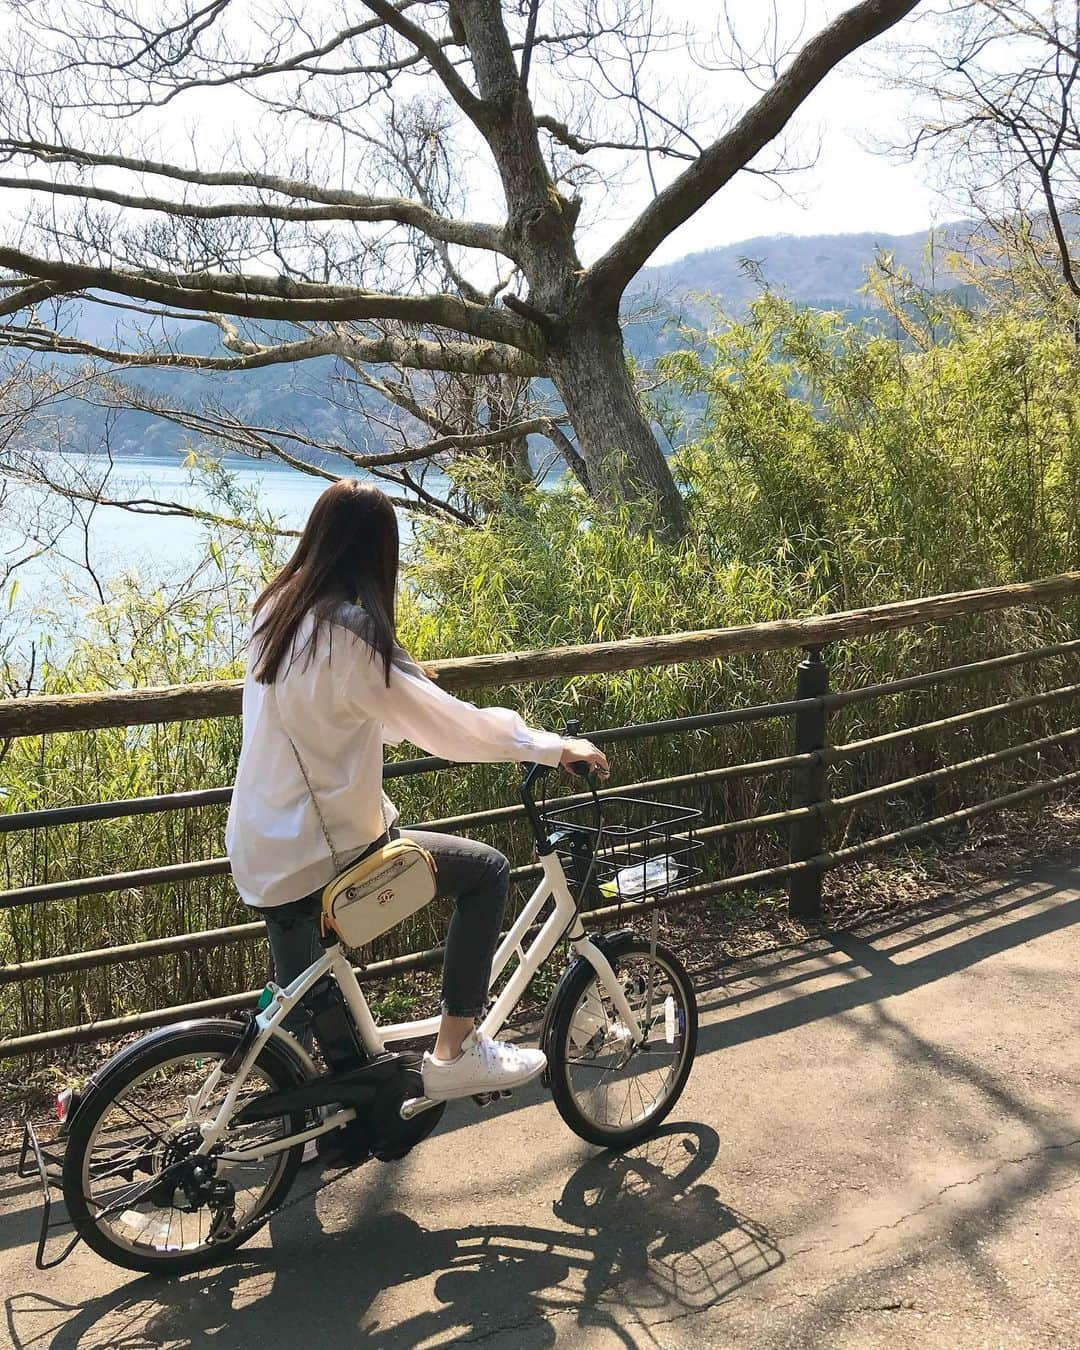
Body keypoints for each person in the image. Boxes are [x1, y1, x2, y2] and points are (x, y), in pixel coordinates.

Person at [225, 479, 609, 1102]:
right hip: (321, 849)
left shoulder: (274, 611)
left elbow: (335, 710)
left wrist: (392, 697)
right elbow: (452, 728)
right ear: (378, 553)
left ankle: (302, 1111)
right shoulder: (352, 638)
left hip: (263, 844)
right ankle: (456, 1050)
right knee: (486, 872)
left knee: (303, 1011)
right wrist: (550, 745)